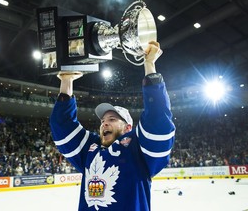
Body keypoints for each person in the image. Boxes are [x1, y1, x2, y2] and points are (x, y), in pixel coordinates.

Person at [50, 41, 176, 211]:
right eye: (102, 121)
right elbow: (62, 126)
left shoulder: (138, 149)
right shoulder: (90, 148)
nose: (105, 123)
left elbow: (158, 119)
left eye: (113, 119)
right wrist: (67, 81)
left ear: (128, 128)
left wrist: (149, 65)